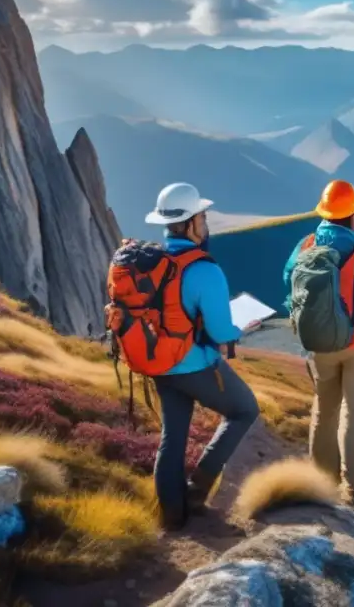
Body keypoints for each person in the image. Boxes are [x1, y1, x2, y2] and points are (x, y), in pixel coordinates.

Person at [143, 182, 260, 530]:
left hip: (161, 364)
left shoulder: (154, 262)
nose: (206, 223)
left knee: (172, 437)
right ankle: (197, 491)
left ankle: (172, 518)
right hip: (194, 364)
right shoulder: (204, 270)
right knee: (244, 410)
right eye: (203, 217)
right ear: (192, 222)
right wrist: (243, 327)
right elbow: (222, 332)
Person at [284, 180, 354, 504]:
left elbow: (288, 282)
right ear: (352, 217)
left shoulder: (304, 247)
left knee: (324, 411)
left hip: (318, 348)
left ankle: (322, 480)